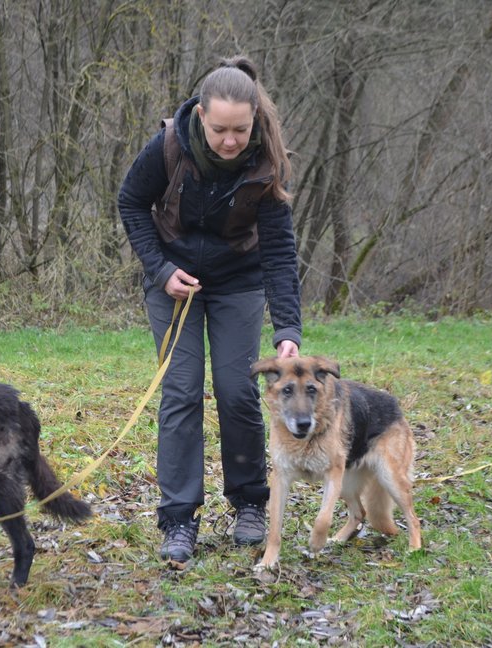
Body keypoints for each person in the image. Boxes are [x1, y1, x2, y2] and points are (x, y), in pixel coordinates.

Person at [117, 55, 302, 564]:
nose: (229, 141)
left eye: (239, 130)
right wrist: (160, 270)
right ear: (201, 115)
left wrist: (287, 326)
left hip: (238, 281)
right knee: (179, 390)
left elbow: (280, 250)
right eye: (219, 129)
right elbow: (131, 202)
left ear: (254, 121)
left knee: (237, 388)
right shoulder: (169, 145)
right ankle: (178, 518)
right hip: (172, 281)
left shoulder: (268, 162)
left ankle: (249, 504)